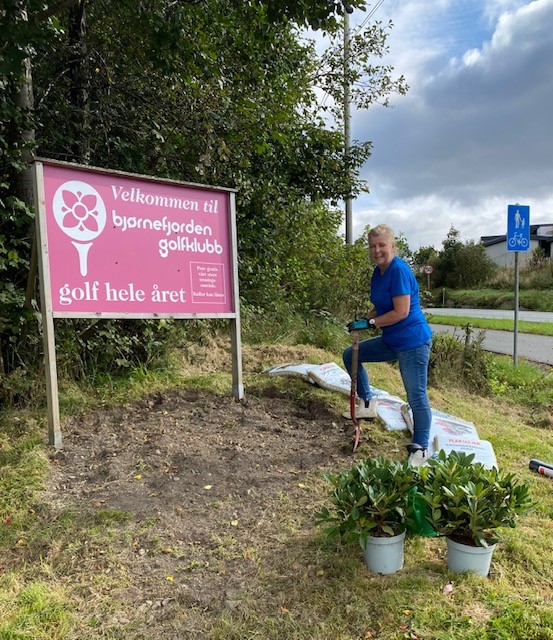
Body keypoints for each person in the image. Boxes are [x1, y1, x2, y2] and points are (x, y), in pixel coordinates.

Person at [342, 224, 433, 466]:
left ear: (392, 246)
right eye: (373, 246)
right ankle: (367, 403)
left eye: (382, 245)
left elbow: (401, 312)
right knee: (351, 354)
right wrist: (364, 319)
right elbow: (382, 306)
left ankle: (421, 448)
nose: (377, 250)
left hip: (412, 342)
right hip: (392, 340)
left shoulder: (399, 271)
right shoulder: (378, 272)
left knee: (416, 396)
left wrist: (371, 323)